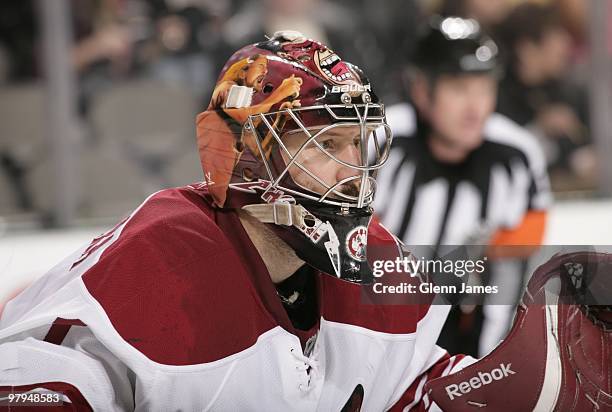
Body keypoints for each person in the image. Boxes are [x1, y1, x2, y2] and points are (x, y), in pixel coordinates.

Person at [0, 31, 473, 411]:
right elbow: (37, 378)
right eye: (326, 146)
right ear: (248, 156)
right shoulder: (160, 254)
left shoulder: (374, 253)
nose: (353, 170)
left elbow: (411, 385)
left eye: (358, 143)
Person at [375, 16, 552, 356]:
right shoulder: (379, 141)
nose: (475, 108)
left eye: (484, 88)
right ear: (421, 89)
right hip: (379, 322)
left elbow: (513, 270)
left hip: (464, 330)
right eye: (458, 88)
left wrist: (489, 364)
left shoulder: (517, 156)